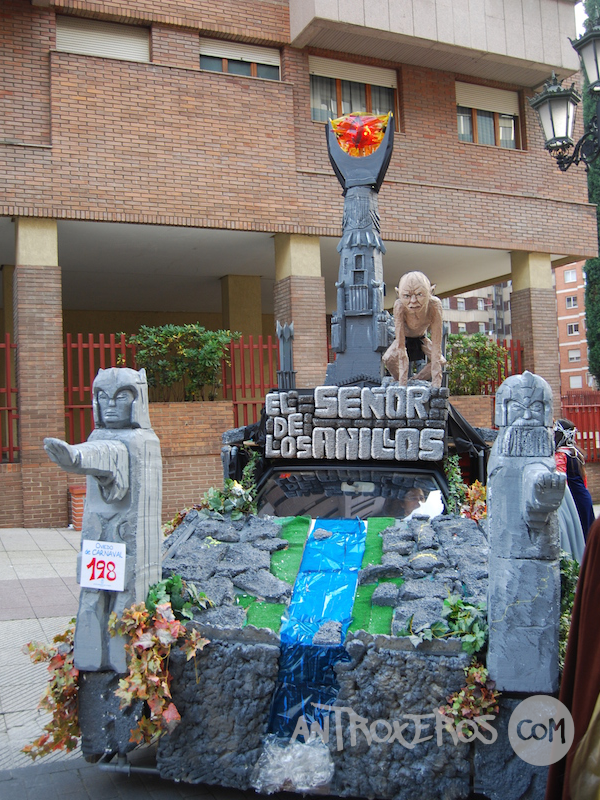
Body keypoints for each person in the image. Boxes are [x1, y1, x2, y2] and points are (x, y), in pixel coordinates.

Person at [554, 418, 595, 541]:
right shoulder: (576, 453)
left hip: (573, 500)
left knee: (577, 538)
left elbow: (561, 483)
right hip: (583, 497)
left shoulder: (561, 456)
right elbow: (584, 479)